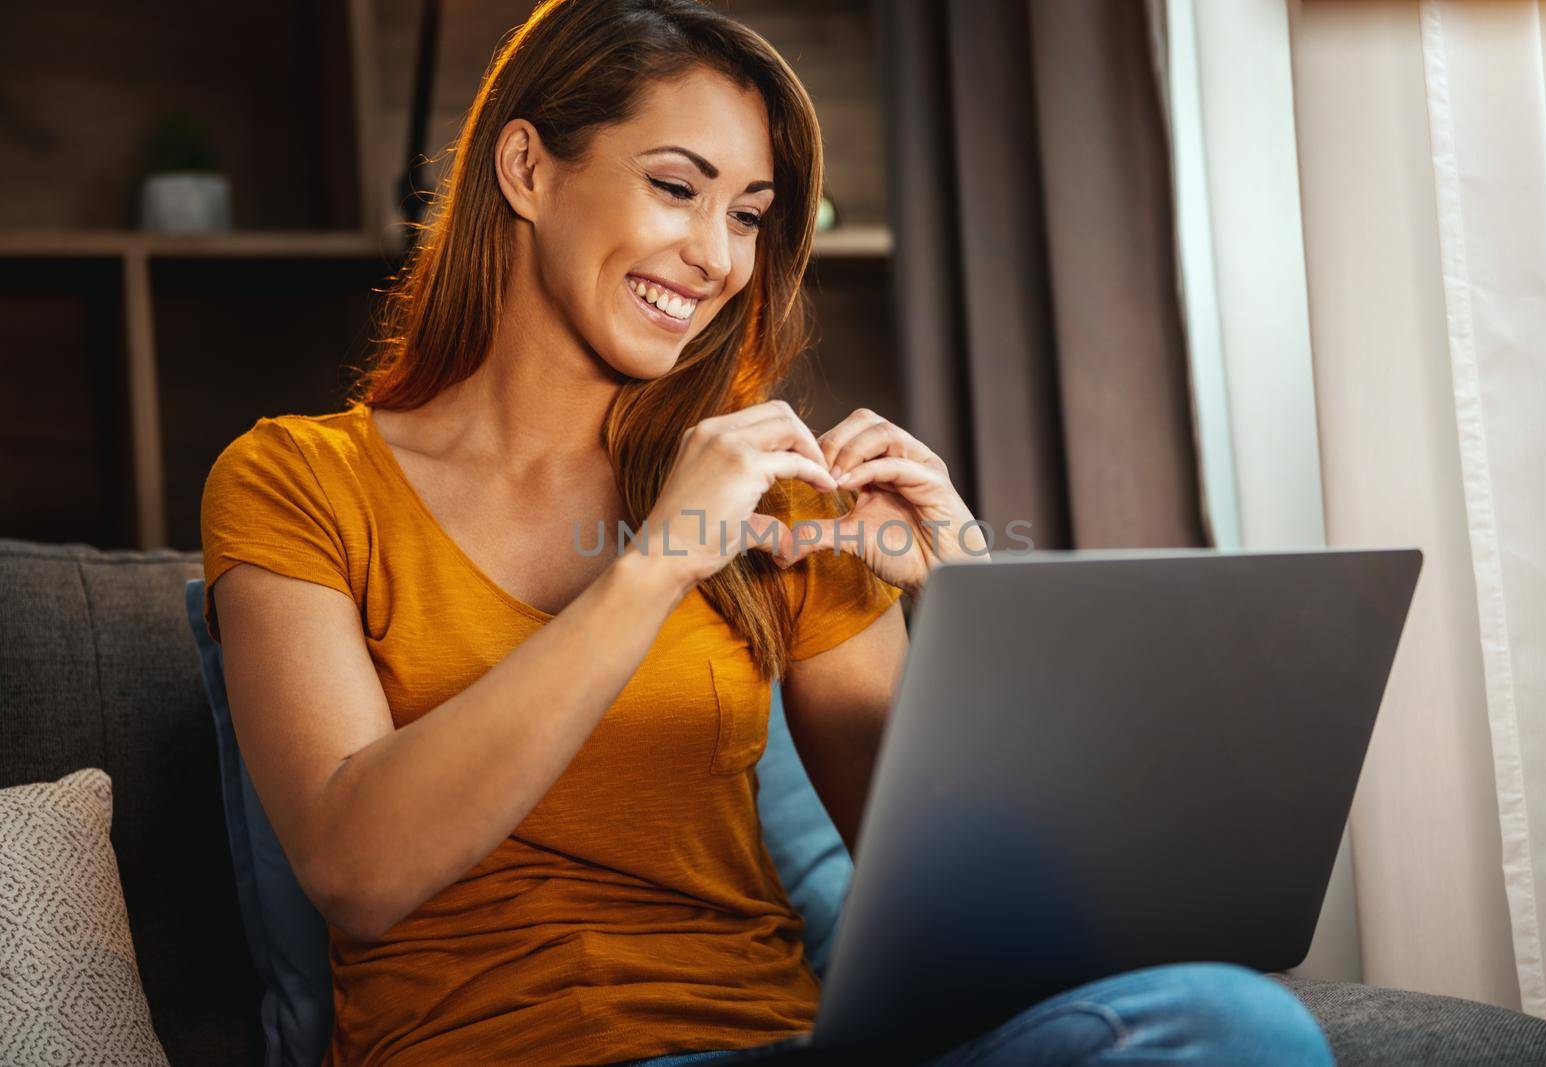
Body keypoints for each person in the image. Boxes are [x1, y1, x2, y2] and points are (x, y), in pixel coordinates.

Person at [200, 1, 1335, 1064]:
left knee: (1235, 1020)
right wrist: (656, 563)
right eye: (677, 187)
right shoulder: (298, 479)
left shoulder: (772, 499)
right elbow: (357, 865)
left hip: (778, 1039)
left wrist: (969, 600)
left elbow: (952, 901)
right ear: (527, 167)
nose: (717, 257)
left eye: (747, 215)